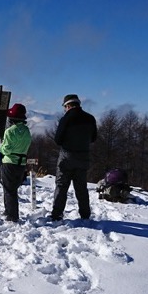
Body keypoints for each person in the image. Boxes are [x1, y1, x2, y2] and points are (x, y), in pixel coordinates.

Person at [51, 93, 97, 221]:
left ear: (68, 105)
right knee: (81, 187)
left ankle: (57, 214)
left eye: (64, 107)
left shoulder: (66, 119)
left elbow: (58, 140)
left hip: (67, 156)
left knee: (61, 185)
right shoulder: (90, 118)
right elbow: (93, 138)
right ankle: (85, 214)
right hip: (84, 156)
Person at [0, 103, 32, 222]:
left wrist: (0, 147)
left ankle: (11, 216)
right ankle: (9, 212)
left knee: (8, 189)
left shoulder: (9, 131)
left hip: (9, 162)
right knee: (13, 189)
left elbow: (6, 148)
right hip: (21, 163)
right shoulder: (27, 130)